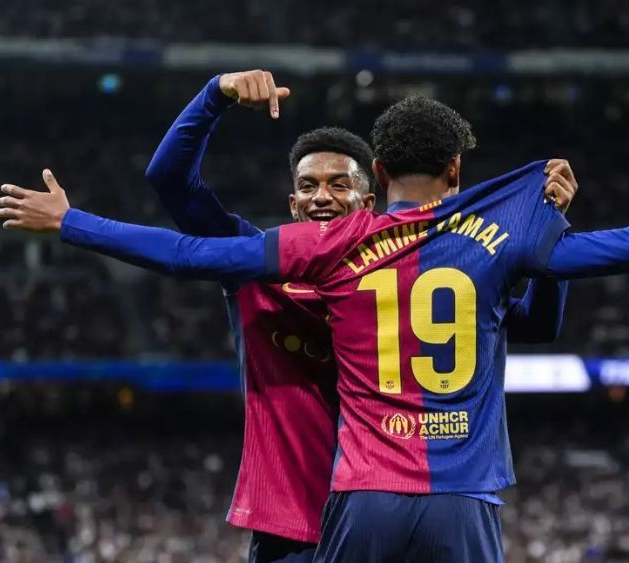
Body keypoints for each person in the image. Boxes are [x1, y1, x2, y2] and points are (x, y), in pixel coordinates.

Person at [0, 97, 629, 562]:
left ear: (377, 177)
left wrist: (73, 222)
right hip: (462, 502)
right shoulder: (496, 242)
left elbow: (183, 253)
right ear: (460, 173)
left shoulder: (324, 248)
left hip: (359, 504)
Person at [141, 71, 575, 562]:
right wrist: (215, 95)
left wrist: (549, 242)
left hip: (390, 507)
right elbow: (170, 181)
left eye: (337, 185)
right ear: (292, 203)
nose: (321, 197)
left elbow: (537, 325)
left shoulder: (421, 277)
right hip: (295, 527)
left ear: (370, 203)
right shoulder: (253, 265)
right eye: (307, 186)